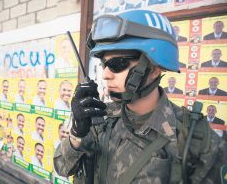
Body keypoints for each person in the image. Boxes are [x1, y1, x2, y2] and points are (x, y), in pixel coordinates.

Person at [54, 10, 220, 183]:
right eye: (104, 64)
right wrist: (76, 134)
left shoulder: (195, 137)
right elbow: (62, 168)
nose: (105, 74)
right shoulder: (101, 117)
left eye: (118, 64)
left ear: (155, 68)